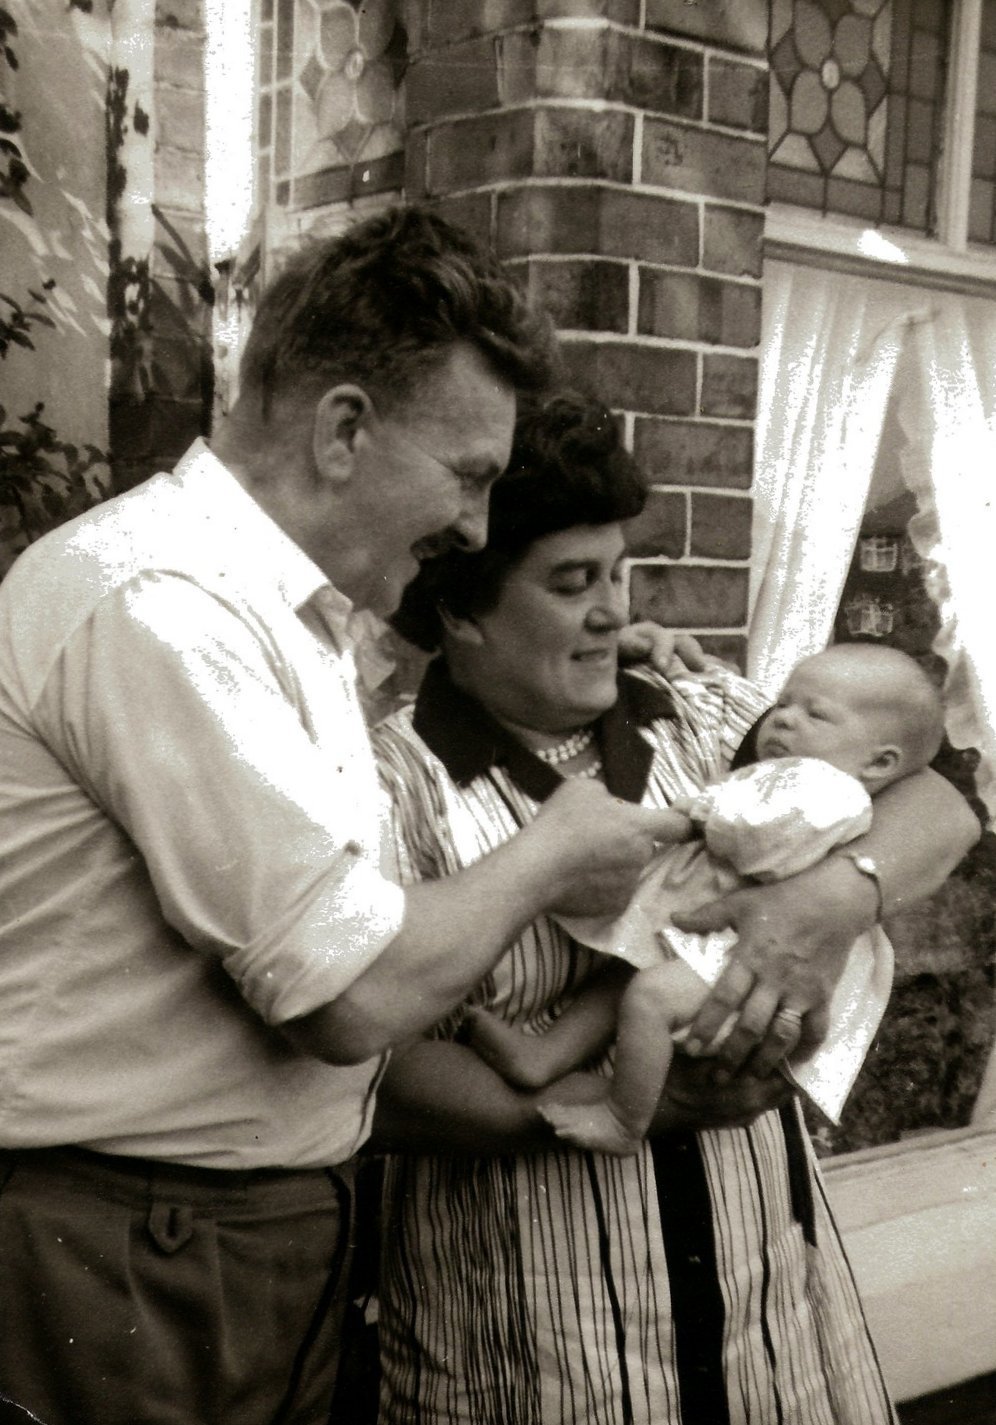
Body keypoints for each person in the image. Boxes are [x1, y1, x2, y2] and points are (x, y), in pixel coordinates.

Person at [0, 209, 687, 1425]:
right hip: (123, 1245)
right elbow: (349, 993)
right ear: (344, 429)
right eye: (469, 477)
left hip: (206, 1237)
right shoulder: (165, 604)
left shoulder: (285, 623)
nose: (476, 528)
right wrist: (556, 848)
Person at [371, 389, 979, 1425]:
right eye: (572, 584)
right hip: (537, 1341)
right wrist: (592, 1116)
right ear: (460, 612)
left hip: (769, 1321)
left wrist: (834, 895)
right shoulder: (390, 781)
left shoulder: (709, 714)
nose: (615, 608)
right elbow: (371, 1066)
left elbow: (939, 798)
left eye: (619, 572)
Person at [467, 642, 945, 1155]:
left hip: (762, 949)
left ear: (880, 762)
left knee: (648, 996)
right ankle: (543, 1055)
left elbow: (763, 839)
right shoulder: (787, 773)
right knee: (625, 969)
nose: (783, 719)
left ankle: (624, 1118)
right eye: (783, 703)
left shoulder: (828, 789)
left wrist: (693, 817)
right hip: (738, 932)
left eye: (815, 713)